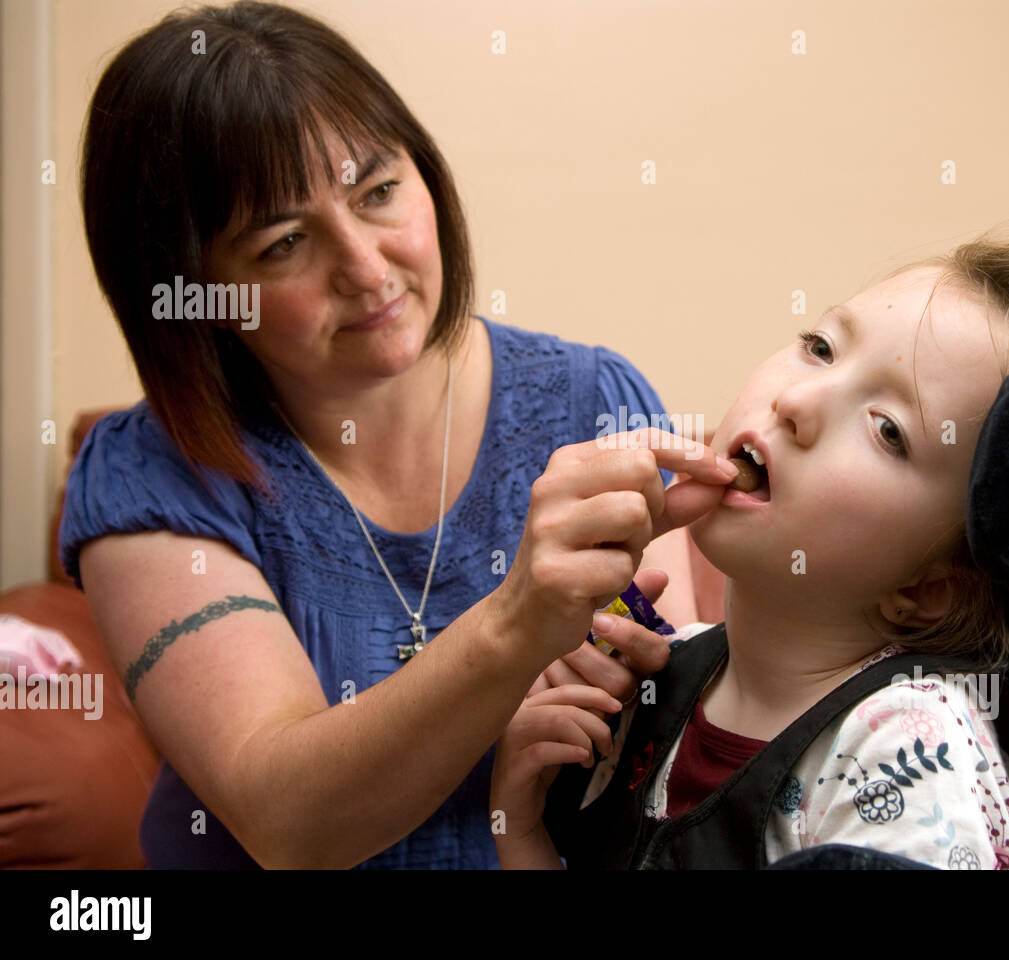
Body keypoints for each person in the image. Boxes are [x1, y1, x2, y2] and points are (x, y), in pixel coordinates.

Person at [58, 0, 739, 869]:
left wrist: (644, 691)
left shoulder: (594, 403)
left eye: (379, 191)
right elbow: (288, 822)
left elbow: (657, 784)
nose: (367, 268)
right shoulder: (151, 474)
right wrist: (518, 622)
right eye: (284, 243)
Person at [490, 230, 1009, 869]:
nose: (799, 405)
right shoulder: (677, 671)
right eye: (820, 348)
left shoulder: (903, 757)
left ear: (932, 589)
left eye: (889, 429)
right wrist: (522, 831)